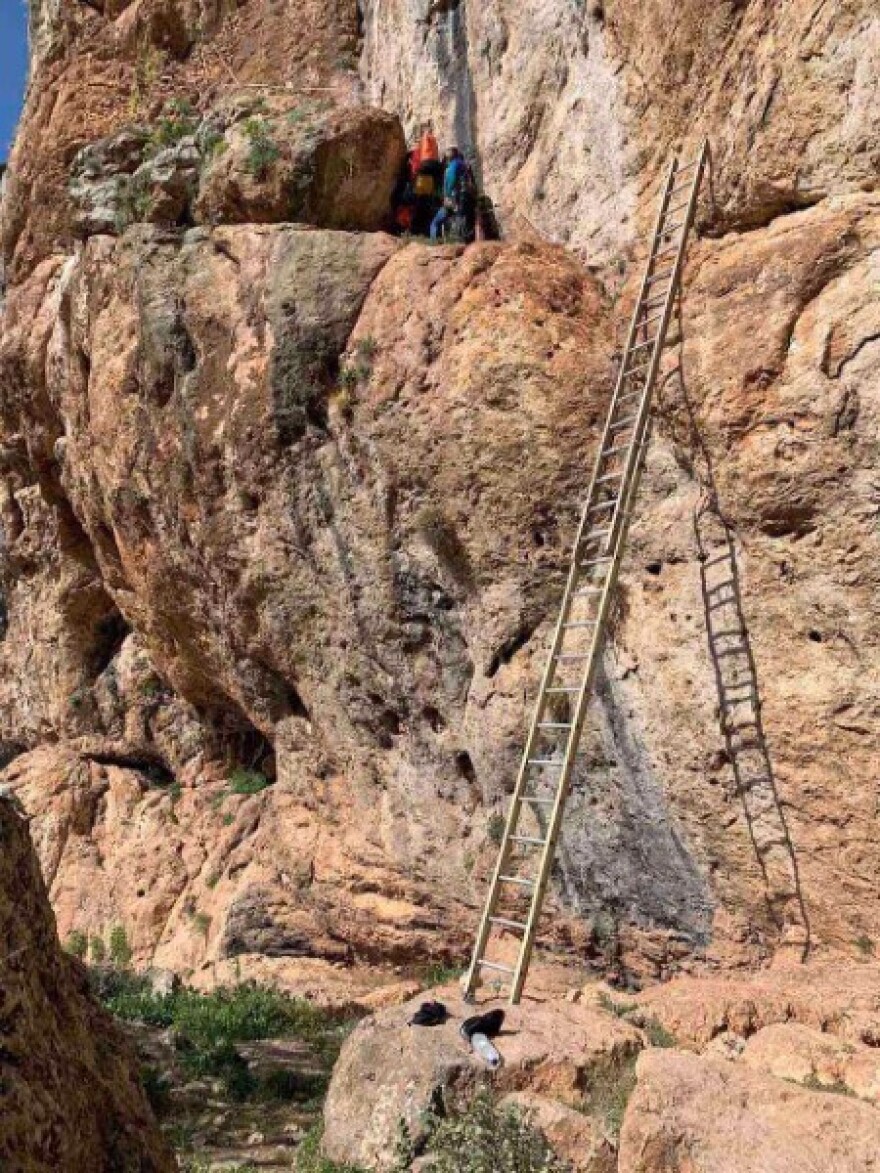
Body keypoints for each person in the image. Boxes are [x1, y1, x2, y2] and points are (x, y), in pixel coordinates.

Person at [430, 148, 474, 242]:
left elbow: (451, 181)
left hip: (454, 199)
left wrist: (448, 197)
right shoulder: (465, 166)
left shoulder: (453, 166)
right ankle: (464, 241)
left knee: (435, 223)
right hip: (465, 198)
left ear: (448, 158)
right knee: (461, 218)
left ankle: (435, 244)